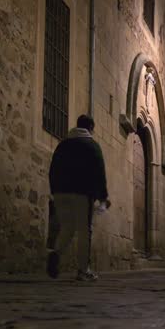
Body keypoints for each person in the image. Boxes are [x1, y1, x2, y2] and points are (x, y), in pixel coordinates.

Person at [46, 114, 110, 281]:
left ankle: (56, 252)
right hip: (82, 193)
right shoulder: (92, 146)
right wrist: (103, 196)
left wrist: (54, 190)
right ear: (90, 128)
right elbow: (99, 173)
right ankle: (83, 270)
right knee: (84, 231)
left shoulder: (62, 145)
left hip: (60, 192)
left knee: (67, 227)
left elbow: (53, 169)